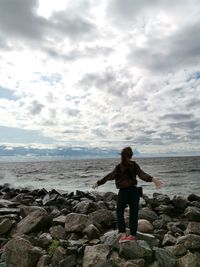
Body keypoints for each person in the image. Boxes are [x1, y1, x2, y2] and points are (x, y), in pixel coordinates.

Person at [92, 146, 163, 242]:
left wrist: (98, 182)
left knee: (120, 212)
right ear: (131, 156)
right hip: (133, 192)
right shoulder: (133, 165)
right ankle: (132, 235)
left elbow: (110, 176)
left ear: (121, 156)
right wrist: (153, 180)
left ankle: (123, 234)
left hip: (124, 192)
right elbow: (142, 174)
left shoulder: (120, 167)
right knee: (133, 214)